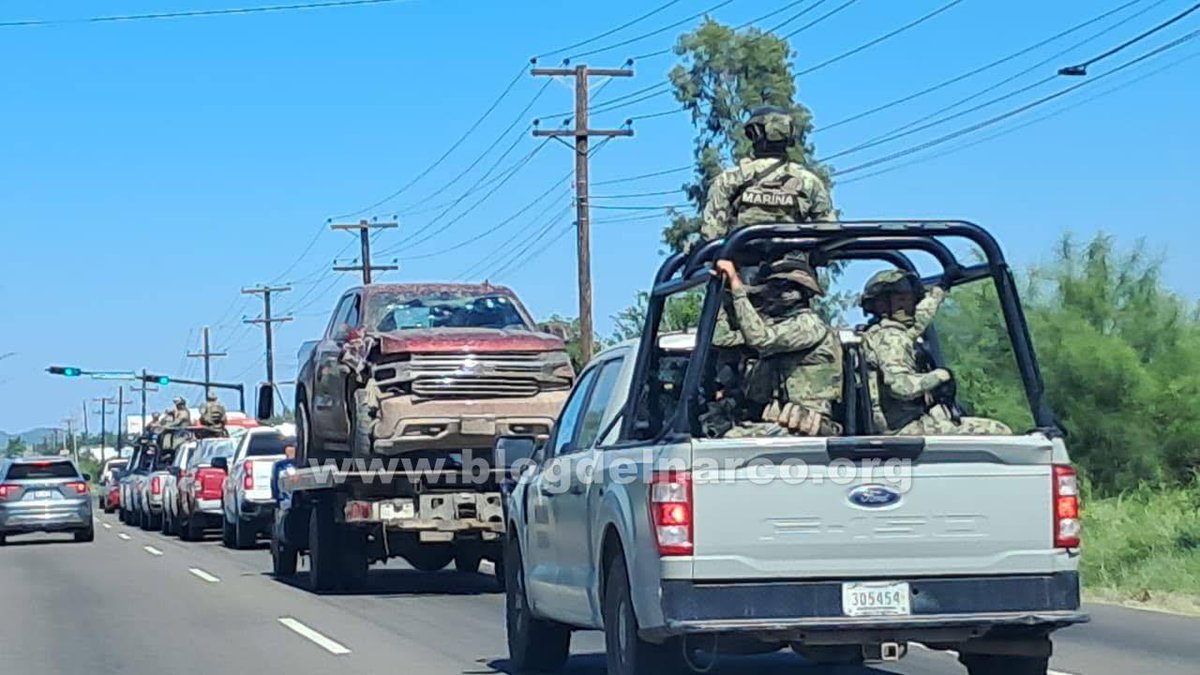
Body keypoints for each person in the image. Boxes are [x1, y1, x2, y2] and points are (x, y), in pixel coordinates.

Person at [860, 269, 1011, 436]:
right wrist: (940, 376)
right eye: (902, 300)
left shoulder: (881, 333)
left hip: (904, 424)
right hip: (904, 428)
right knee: (999, 431)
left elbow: (921, 319)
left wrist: (941, 288)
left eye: (911, 299)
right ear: (881, 305)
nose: (910, 306)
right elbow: (900, 386)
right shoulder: (892, 338)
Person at [710, 255, 842, 437]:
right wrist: (723, 294)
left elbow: (760, 339)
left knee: (731, 441)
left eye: (780, 287)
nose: (772, 293)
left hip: (807, 424)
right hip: (780, 420)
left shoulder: (808, 325)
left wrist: (736, 285)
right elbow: (722, 339)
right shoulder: (780, 326)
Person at [699, 106, 834, 244]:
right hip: (793, 260)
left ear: (754, 134)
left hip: (740, 260)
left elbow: (711, 234)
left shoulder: (731, 179)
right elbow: (829, 234)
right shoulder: (808, 181)